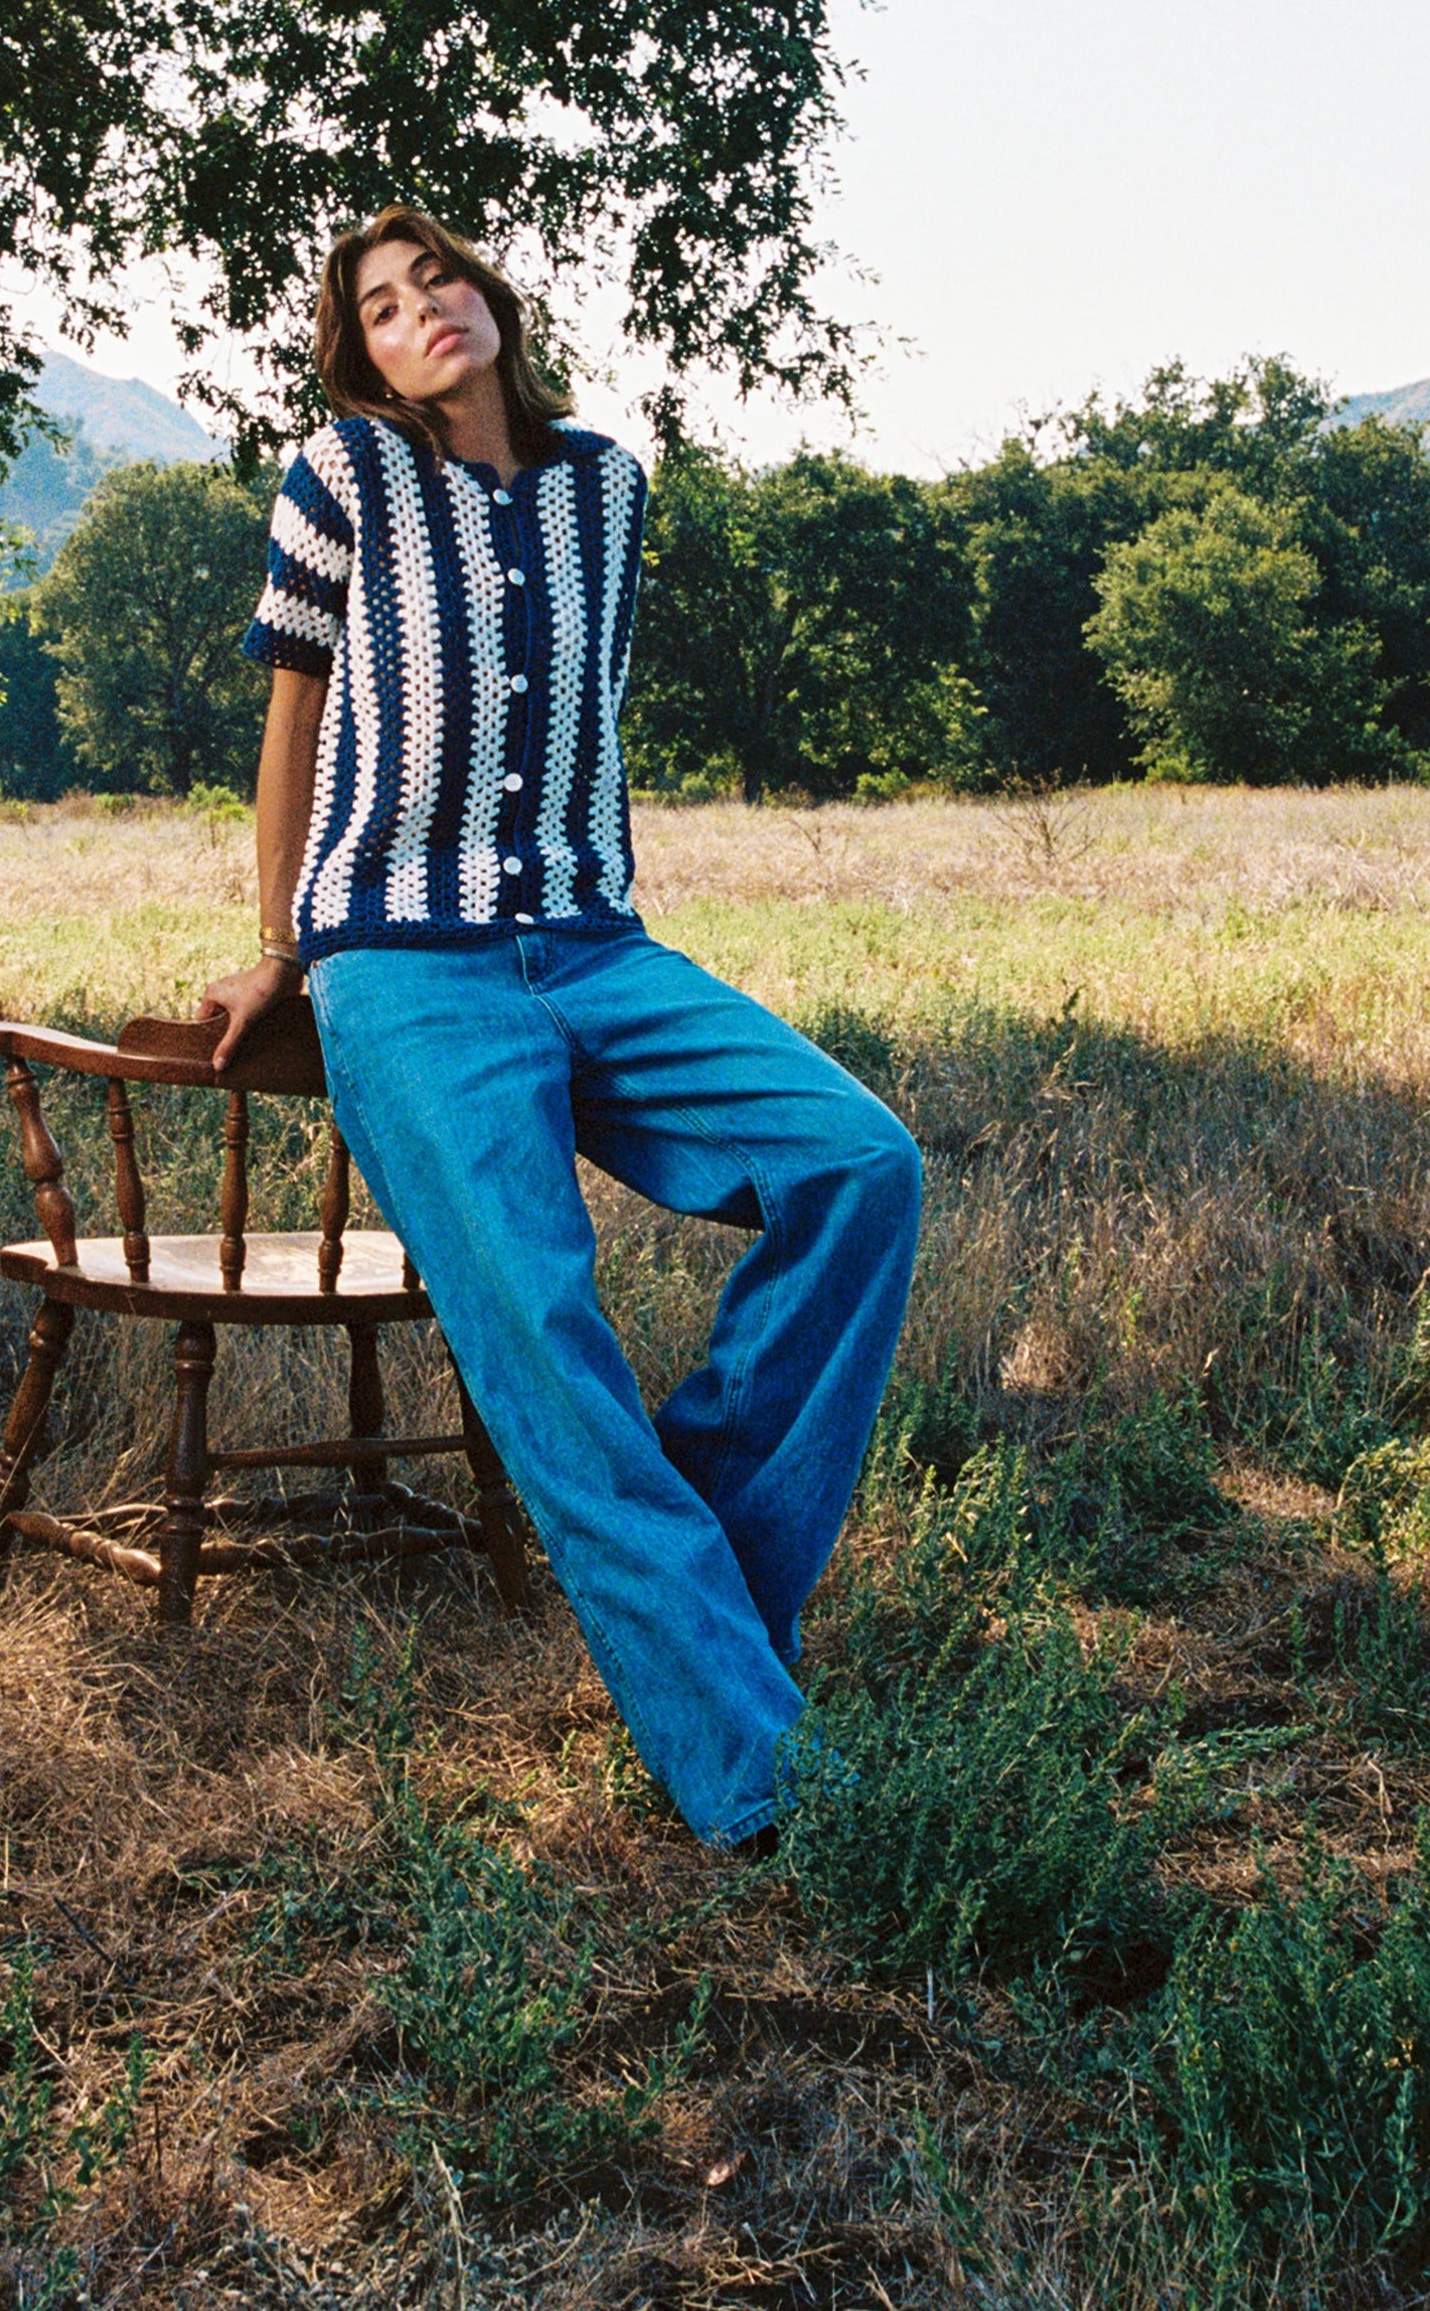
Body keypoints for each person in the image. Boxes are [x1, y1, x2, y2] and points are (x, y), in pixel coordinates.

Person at [199, 205, 921, 1851]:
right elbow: (294, 718)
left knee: (861, 1168)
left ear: (490, 296)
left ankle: (692, 1598)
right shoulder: (344, 478)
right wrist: (284, 945)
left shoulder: (608, 487)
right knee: (543, 1327)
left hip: (597, 944)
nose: (420, 310)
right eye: (380, 307)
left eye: (436, 276)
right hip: (405, 967)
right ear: (362, 353)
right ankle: (765, 1781)